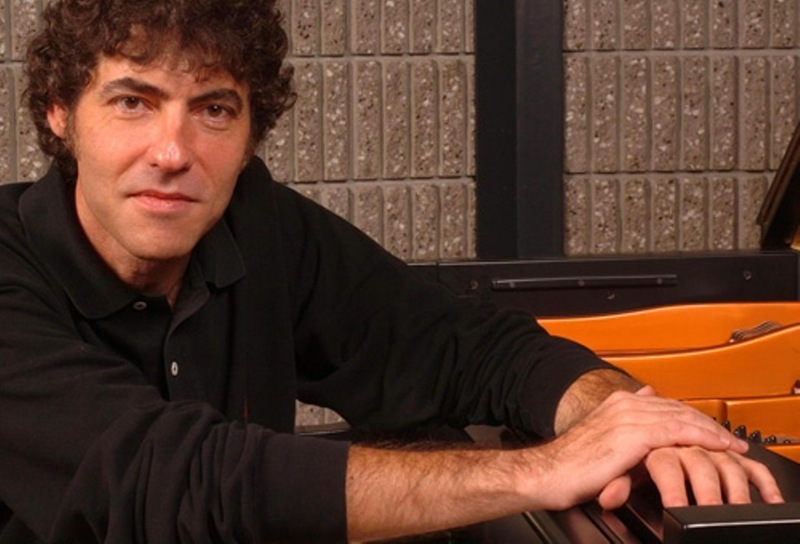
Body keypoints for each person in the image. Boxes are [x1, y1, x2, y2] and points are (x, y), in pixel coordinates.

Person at [0, 0, 783, 542]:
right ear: (61, 114)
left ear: (249, 135)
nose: (173, 152)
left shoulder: (253, 225)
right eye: (132, 102)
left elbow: (462, 346)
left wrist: (632, 423)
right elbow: (178, 485)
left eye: (213, 109)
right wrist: (542, 470)